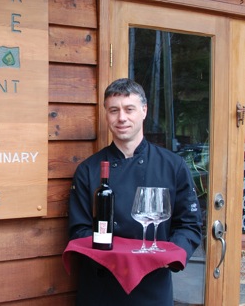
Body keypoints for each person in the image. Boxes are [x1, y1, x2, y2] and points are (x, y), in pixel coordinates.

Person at [68, 78, 202, 306]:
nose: (121, 118)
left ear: (144, 111)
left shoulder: (173, 166)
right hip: (101, 289)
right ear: (106, 114)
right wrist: (116, 256)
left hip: (152, 287)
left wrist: (170, 256)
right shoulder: (88, 170)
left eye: (129, 109)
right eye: (114, 110)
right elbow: (79, 230)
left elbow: (189, 226)